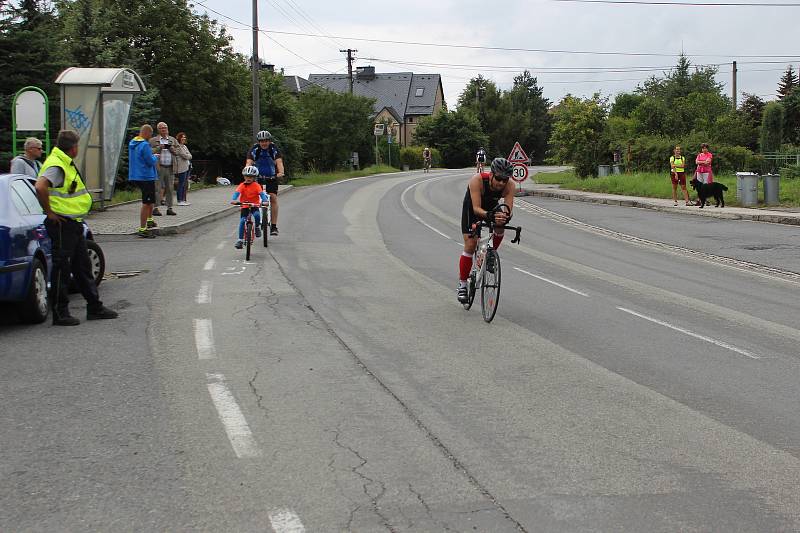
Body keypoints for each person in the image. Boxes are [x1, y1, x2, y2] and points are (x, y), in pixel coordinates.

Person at [34, 130, 118, 326]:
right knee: (62, 267)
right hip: (62, 223)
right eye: (77, 146)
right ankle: (60, 312)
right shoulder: (57, 164)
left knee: (83, 266)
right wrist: (49, 212)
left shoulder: (62, 161)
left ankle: (94, 307)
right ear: (73, 148)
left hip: (73, 223)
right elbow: (40, 186)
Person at [457, 157, 515, 303]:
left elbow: (509, 210)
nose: (501, 183)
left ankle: (490, 255)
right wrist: (490, 216)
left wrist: (504, 217)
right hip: (473, 208)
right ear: (491, 175)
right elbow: (476, 209)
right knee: (471, 244)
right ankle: (463, 285)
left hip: (491, 207)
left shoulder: (510, 186)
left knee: (500, 226)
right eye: (499, 179)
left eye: (505, 180)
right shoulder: (477, 180)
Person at [245, 130, 284, 236]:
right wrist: (247, 173)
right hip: (257, 177)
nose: (264, 143)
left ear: (269, 141)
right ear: (259, 142)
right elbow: (249, 163)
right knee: (255, 198)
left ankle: (274, 226)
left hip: (272, 177)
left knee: (273, 197)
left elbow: (279, 162)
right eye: (262, 141)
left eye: (266, 141)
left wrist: (280, 173)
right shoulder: (255, 149)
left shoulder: (273, 148)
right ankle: (258, 222)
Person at [128, 124, 159, 238]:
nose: (150, 137)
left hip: (136, 175)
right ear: (146, 133)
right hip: (146, 176)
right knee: (147, 202)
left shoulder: (133, 143)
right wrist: (155, 157)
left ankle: (150, 220)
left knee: (150, 200)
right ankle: (142, 228)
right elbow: (150, 161)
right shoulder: (144, 145)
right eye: (150, 134)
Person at [231, 165, 269, 249]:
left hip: (254, 205)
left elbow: (262, 194)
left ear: (254, 178)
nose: (248, 178)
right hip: (244, 206)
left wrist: (265, 200)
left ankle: (257, 227)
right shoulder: (242, 185)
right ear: (244, 176)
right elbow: (236, 193)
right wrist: (233, 199)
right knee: (242, 222)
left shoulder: (256, 185)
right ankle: (240, 240)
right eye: (247, 176)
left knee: (257, 215)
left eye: (251, 177)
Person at [149, 122, 178, 216]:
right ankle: (155, 208)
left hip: (170, 167)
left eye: (165, 127)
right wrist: (159, 148)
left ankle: (169, 208)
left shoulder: (172, 140)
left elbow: (178, 151)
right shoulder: (153, 140)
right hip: (159, 167)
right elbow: (149, 152)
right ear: (158, 130)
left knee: (170, 188)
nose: (164, 129)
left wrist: (171, 149)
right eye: (161, 128)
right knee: (157, 187)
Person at [174, 132, 192, 206]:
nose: (184, 138)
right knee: (181, 184)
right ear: (179, 138)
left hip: (187, 167)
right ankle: (179, 200)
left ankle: (184, 200)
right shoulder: (178, 147)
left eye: (185, 137)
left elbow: (190, 155)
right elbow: (185, 156)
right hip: (182, 168)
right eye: (182, 137)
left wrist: (188, 155)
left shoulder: (184, 146)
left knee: (185, 184)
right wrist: (188, 155)